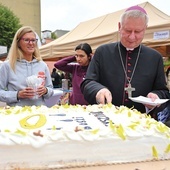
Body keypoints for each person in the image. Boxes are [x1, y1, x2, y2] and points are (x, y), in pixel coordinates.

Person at [81, 5, 170, 118]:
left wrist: (156, 96)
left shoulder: (155, 57)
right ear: (119, 26)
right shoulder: (102, 52)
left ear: (145, 29)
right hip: (105, 120)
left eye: (138, 31)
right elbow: (88, 83)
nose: (132, 37)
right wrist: (98, 90)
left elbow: (163, 91)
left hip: (141, 124)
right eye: (128, 30)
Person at [0, 26, 53, 106]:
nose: (31, 43)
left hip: (39, 113)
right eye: (26, 40)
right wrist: (17, 94)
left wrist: (45, 90)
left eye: (33, 40)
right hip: (16, 114)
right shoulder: (7, 65)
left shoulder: (42, 65)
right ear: (18, 43)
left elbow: (50, 90)